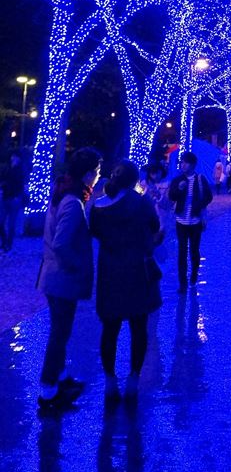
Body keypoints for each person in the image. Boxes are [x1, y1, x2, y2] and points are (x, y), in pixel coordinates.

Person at [89, 159, 162, 404]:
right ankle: (133, 378)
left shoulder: (98, 207)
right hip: (137, 272)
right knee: (138, 328)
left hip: (110, 273)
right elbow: (154, 228)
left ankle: (110, 380)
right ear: (133, 181)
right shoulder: (142, 204)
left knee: (110, 329)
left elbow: (96, 233)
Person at [37, 147, 102, 413]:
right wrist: (77, 267)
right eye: (97, 172)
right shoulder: (74, 203)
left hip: (53, 276)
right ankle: (48, 390)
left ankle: (60, 378)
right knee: (59, 335)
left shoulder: (62, 191)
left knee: (60, 332)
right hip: (61, 279)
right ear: (88, 174)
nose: (99, 176)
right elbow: (62, 243)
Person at [168, 151, 213, 292]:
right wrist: (178, 189)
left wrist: (197, 207)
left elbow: (209, 197)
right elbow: (171, 196)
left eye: (185, 162)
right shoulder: (177, 180)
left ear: (192, 164)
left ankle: (193, 275)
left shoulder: (200, 179)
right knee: (182, 251)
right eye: (181, 162)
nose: (182, 164)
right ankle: (182, 283)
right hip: (181, 221)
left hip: (195, 222)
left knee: (194, 251)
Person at [0, 151, 27, 251]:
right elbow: (3, 178)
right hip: (6, 197)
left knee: (11, 224)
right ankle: (4, 241)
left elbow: (20, 183)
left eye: (15, 157)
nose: (13, 158)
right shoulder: (7, 168)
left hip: (14, 199)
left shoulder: (20, 170)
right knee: (1, 222)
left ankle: (8, 244)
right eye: (13, 156)